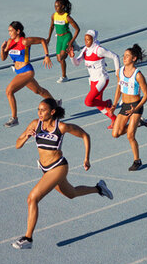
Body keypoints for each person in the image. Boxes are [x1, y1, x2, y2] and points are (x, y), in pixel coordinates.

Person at [13, 98, 114, 249]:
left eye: (43, 110)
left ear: (52, 112)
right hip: (45, 169)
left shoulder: (62, 127)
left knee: (32, 198)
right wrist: (26, 136)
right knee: (71, 193)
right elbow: (17, 145)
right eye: (38, 110)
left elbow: (85, 135)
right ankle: (99, 188)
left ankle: (28, 238)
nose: (40, 113)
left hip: (58, 167)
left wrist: (86, 158)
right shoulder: (35, 124)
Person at [1, 21, 56, 128]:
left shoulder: (25, 41)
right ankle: (55, 103)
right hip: (19, 71)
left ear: (18, 31)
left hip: (27, 71)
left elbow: (42, 40)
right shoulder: (10, 42)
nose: (9, 33)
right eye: (9, 31)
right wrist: (2, 49)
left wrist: (46, 55)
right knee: (38, 91)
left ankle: (14, 119)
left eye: (11, 31)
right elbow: (3, 58)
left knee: (9, 91)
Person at [110, 44, 147, 171]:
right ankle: (139, 124)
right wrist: (114, 105)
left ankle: (137, 161)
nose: (124, 57)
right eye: (124, 55)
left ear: (134, 59)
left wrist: (136, 108)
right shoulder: (120, 71)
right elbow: (118, 88)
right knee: (115, 134)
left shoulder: (138, 75)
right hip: (125, 105)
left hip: (136, 106)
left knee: (130, 136)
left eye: (127, 56)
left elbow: (146, 94)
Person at [68, 29, 120, 128]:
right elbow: (77, 63)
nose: (86, 42)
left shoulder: (99, 50)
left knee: (88, 101)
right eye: (85, 39)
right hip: (92, 81)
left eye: (88, 40)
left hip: (102, 79)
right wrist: (72, 57)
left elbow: (115, 56)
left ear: (94, 39)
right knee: (98, 105)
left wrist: (117, 71)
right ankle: (114, 119)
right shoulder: (85, 50)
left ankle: (107, 103)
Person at [45, 0, 80, 83]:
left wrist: (71, 41)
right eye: (55, 6)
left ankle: (64, 76)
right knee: (59, 59)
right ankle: (70, 48)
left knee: (61, 57)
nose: (56, 8)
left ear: (63, 6)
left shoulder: (67, 17)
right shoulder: (54, 16)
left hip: (67, 37)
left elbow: (77, 29)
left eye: (57, 6)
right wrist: (48, 38)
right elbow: (52, 26)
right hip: (59, 38)